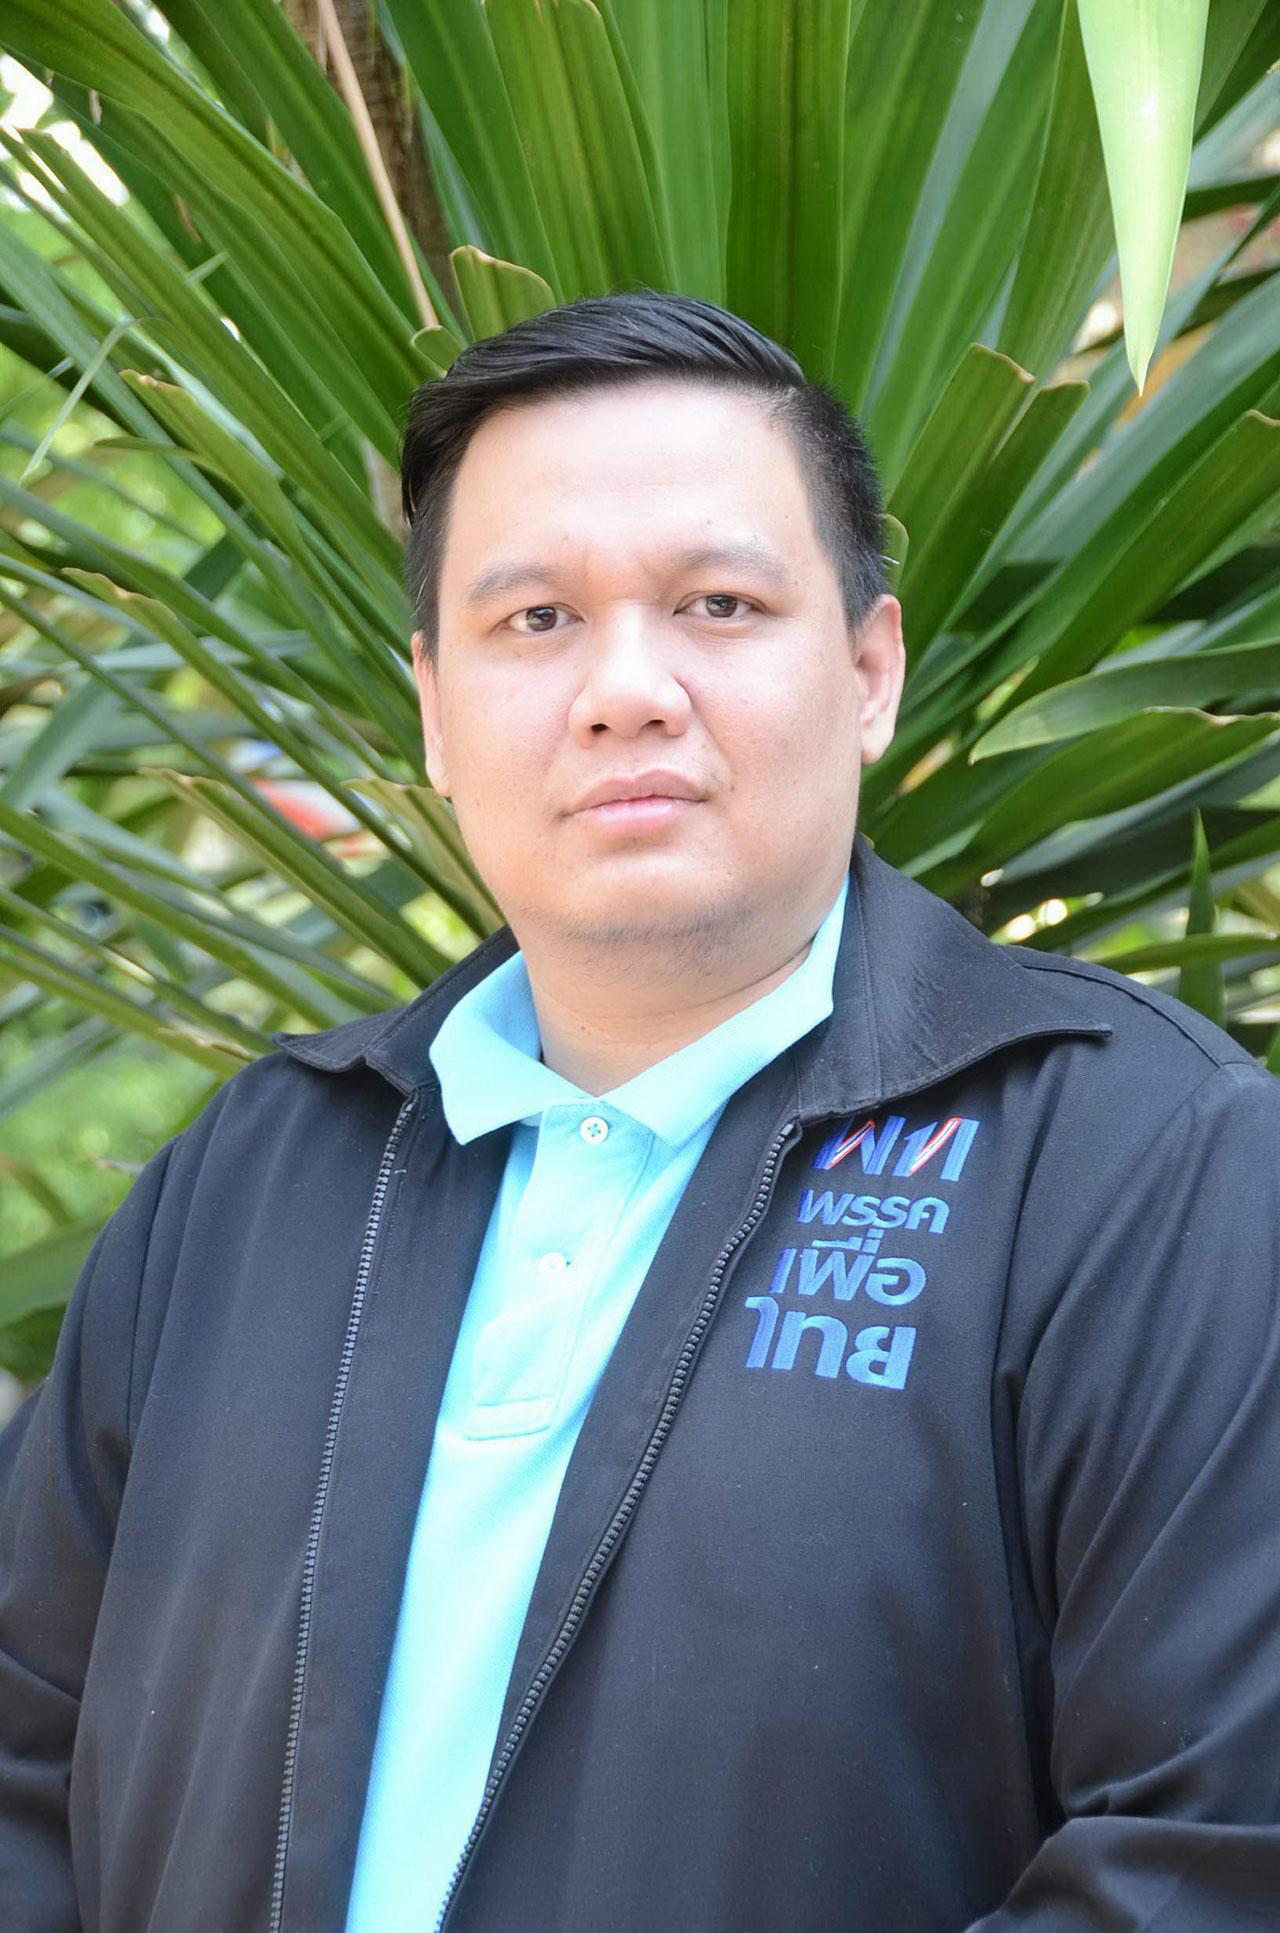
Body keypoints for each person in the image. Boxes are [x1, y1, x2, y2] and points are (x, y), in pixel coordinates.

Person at [2, 290, 1278, 1933]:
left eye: (718, 604)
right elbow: (26, 1755)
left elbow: (1212, 1852)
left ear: (870, 670)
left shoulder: (1136, 1162)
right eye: (535, 618)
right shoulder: (250, 1181)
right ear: (435, 710)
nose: (626, 689)